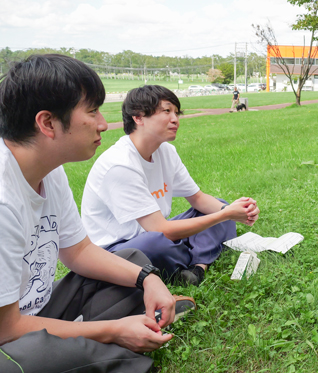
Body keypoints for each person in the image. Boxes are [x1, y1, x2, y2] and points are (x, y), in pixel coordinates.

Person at [0, 55, 188, 373]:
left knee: (132, 261)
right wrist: (112, 331)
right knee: (31, 356)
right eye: (92, 111)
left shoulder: (50, 171)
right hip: (9, 334)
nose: (103, 123)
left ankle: (93, 341)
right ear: (47, 123)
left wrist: (149, 279)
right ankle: (110, 346)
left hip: (39, 312)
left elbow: (80, 252)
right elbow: (7, 330)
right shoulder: (4, 200)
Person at [81, 85, 259, 286]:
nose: (175, 119)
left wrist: (237, 211)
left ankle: (197, 268)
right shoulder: (120, 164)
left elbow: (198, 199)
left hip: (157, 233)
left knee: (219, 205)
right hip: (118, 249)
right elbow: (160, 229)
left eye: (177, 112)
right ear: (138, 117)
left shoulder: (166, 151)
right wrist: (226, 215)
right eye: (167, 111)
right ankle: (199, 252)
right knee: (156, 243)